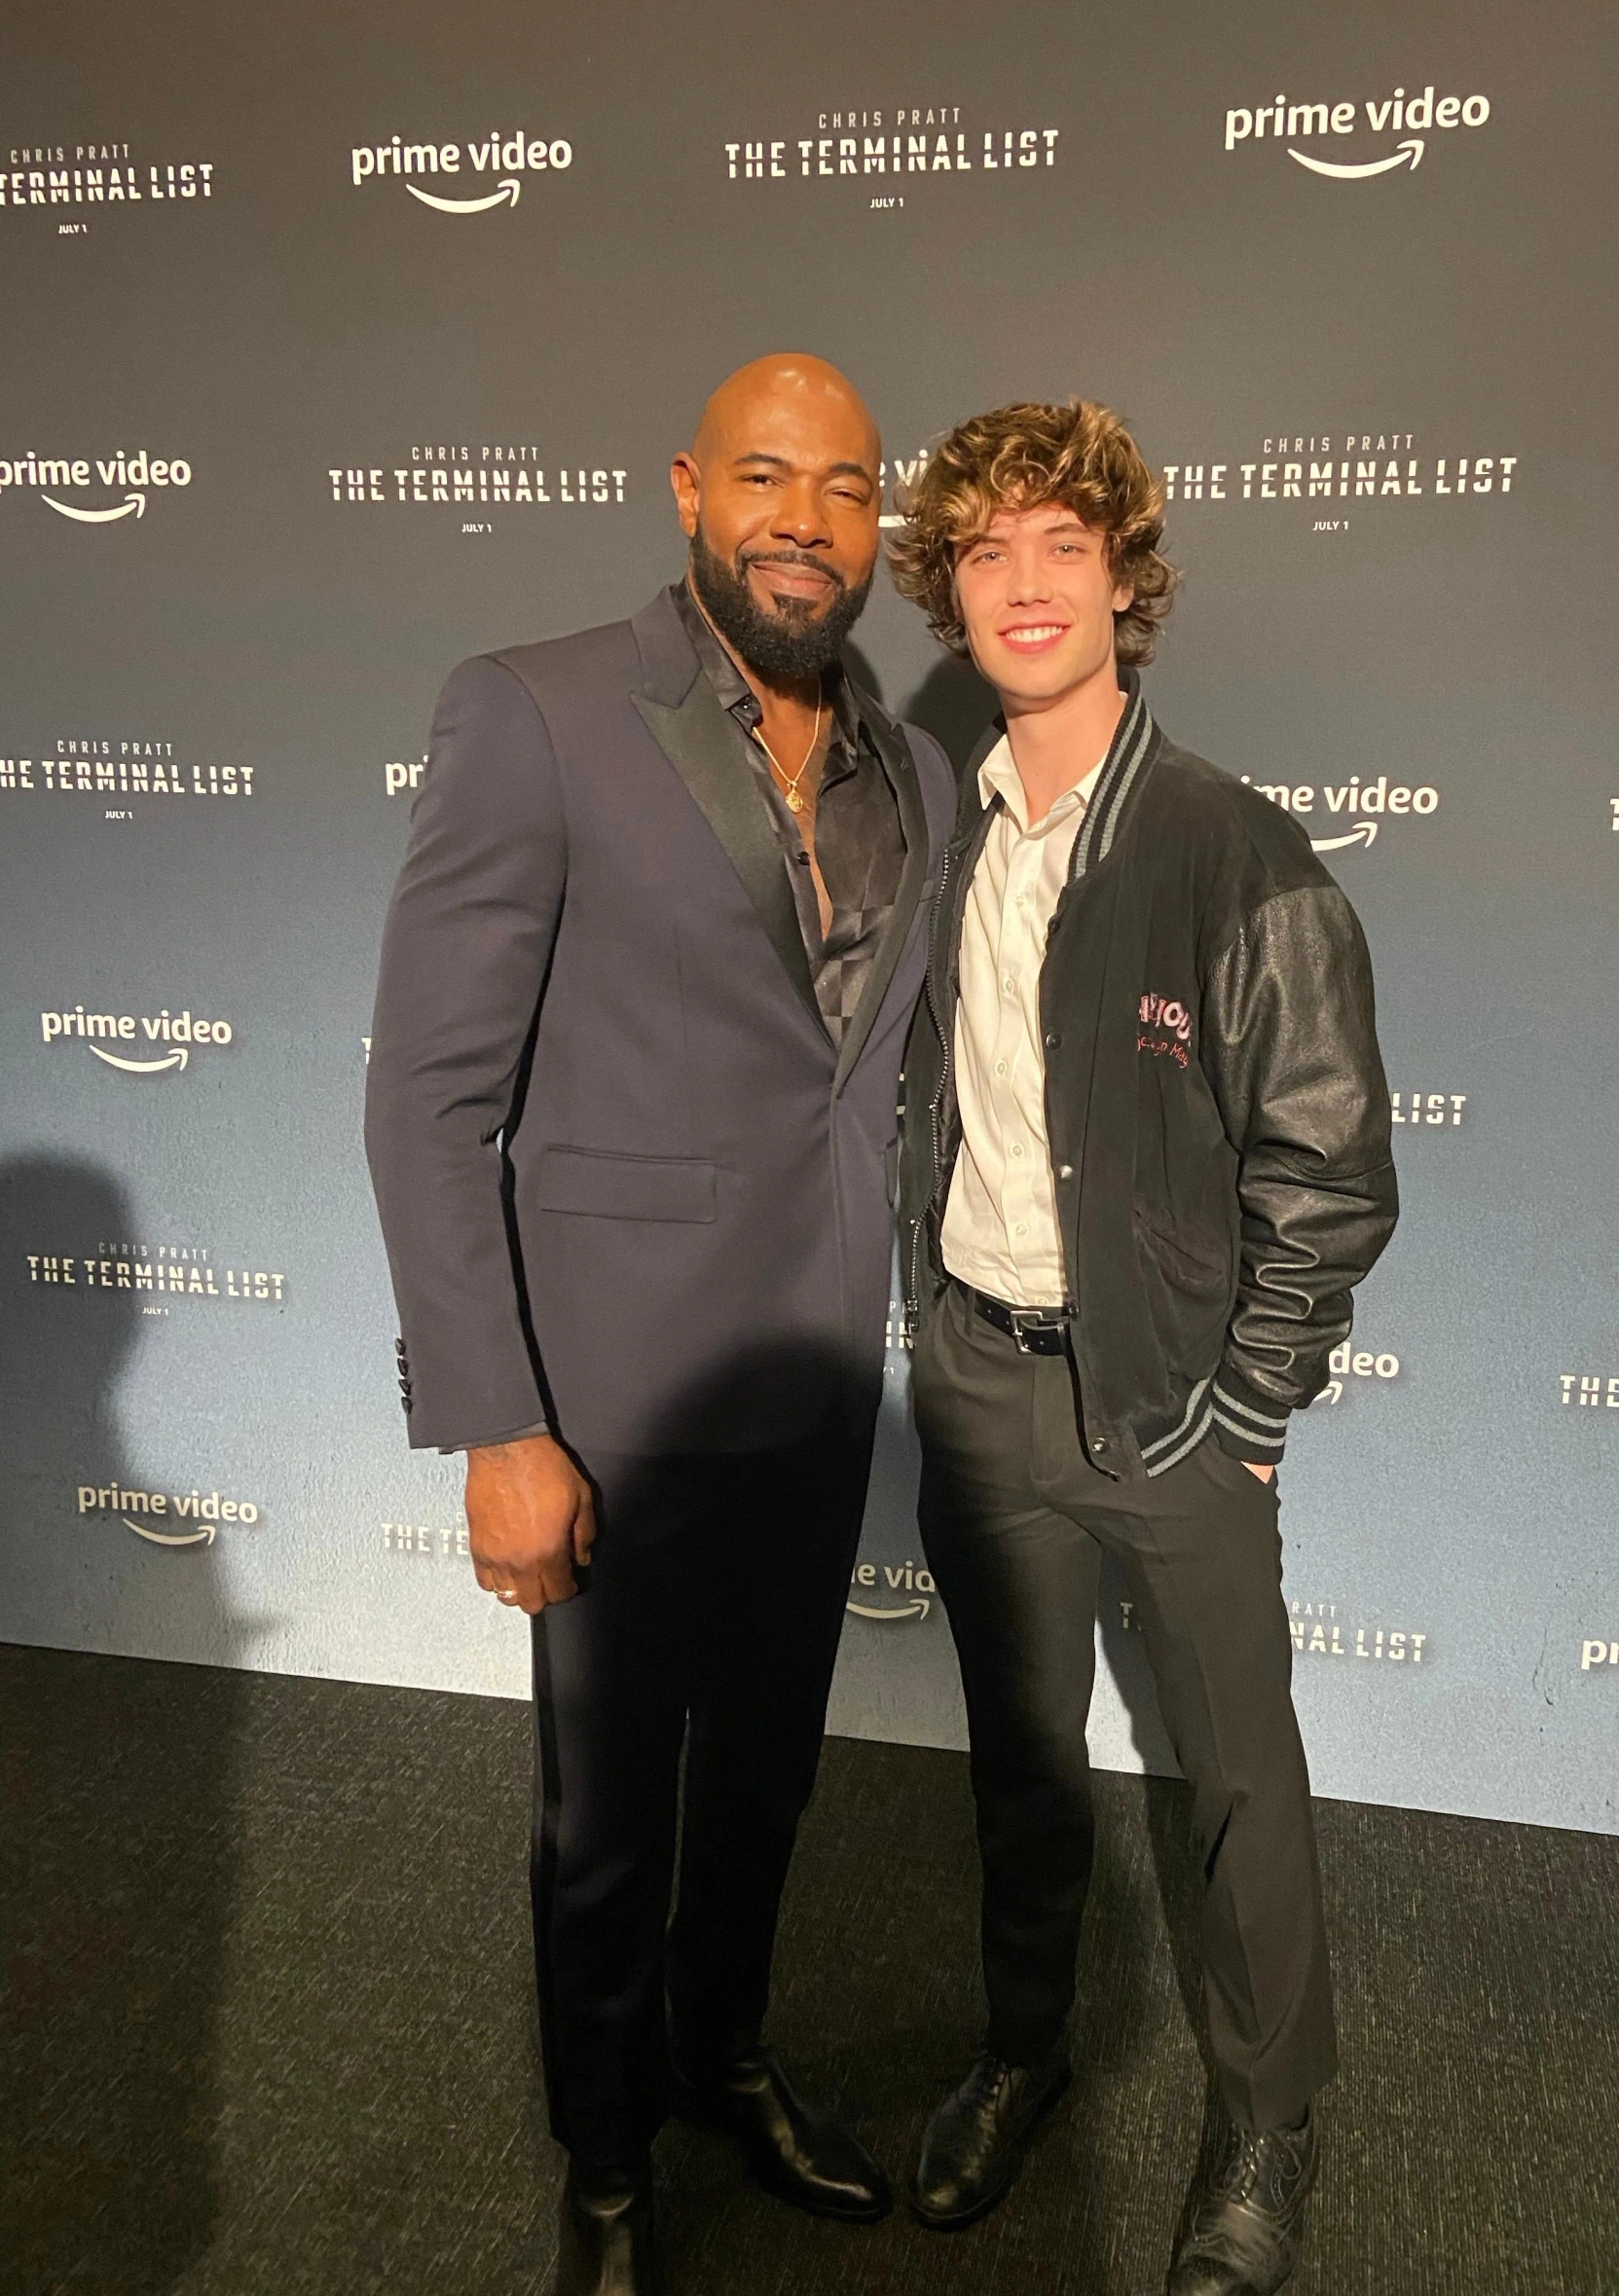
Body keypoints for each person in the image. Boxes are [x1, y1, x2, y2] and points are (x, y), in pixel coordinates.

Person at [364, 354, 954, 2296]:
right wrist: (495, 1424)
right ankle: (607, 2159)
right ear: (686, 491)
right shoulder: (531, 712)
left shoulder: (917, 776)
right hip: (598, 1403)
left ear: (885, 525)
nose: (807, 518)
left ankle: (724, 2058)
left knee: (771, 1781)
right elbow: (431, 1101)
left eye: (848, 488)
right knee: (606, 1821)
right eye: (767, 477)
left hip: (813, 1392)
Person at [888, 399, 1396, 2294]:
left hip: (1178, 1410)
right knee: (1020, 1755)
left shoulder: (1230, 850)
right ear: (948, 590)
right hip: (975, 1377)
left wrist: (1251, 1399)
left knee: (1235, 1772)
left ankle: (1267, 2129)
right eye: (986, 553)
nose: (1024, 584)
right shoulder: (942, 838)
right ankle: (1026, 2052)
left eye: (1059, 548)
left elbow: (1330, 1168)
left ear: (1124, 579)